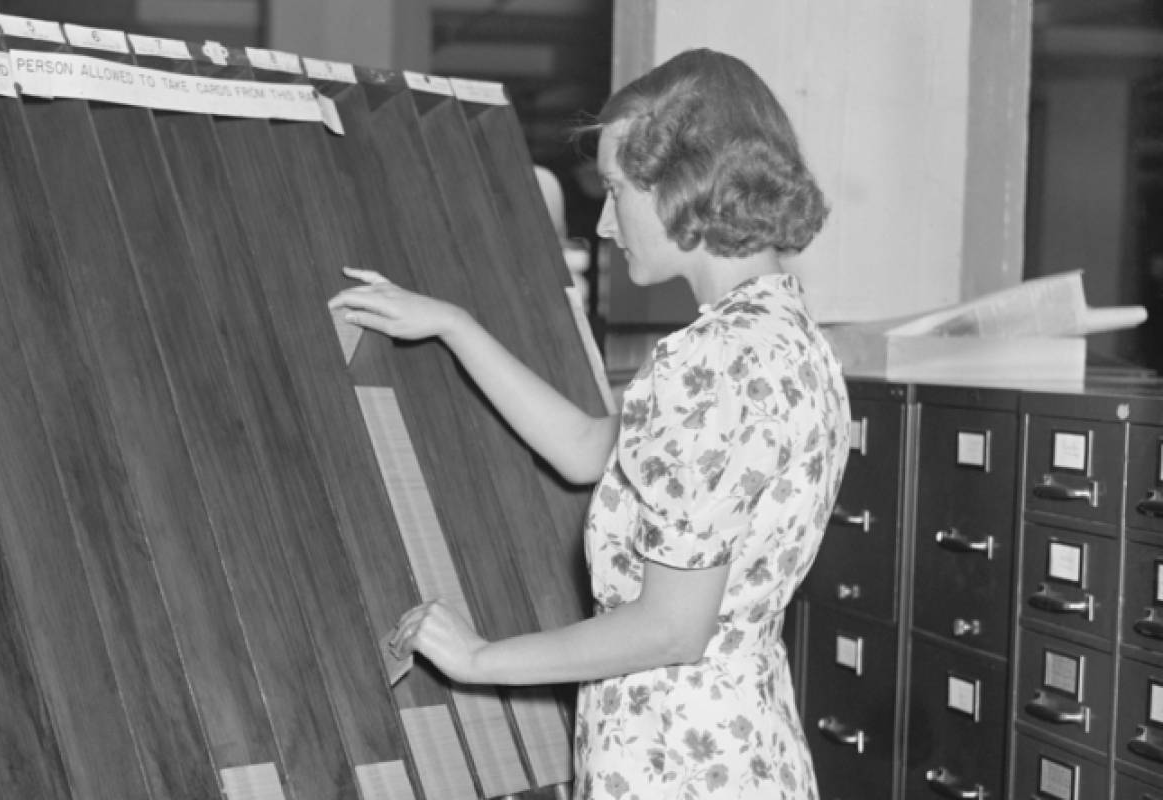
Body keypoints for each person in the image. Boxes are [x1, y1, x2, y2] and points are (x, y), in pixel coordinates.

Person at [329, 48, 848, 798]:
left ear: (684, 182)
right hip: (749, 745)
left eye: (614, 189)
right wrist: (454, 325)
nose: (605, 223)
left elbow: (669, 627)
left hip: (671, 761)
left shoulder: (704, 366)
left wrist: (480, 660)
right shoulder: (790, 337)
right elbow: (585, 448)